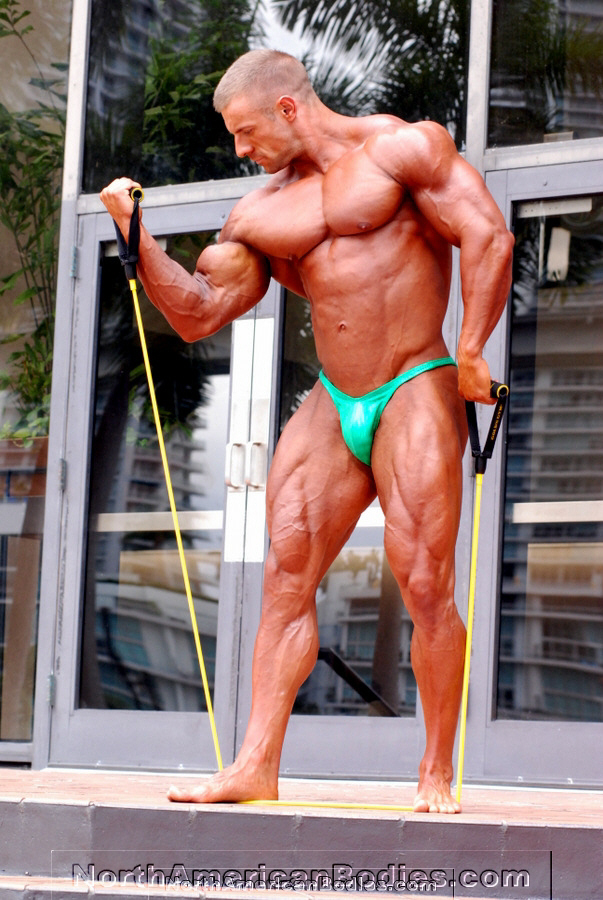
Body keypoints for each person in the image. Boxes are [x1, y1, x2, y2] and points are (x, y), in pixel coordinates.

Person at [100, 49, 514, 814]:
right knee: (284, 575)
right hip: (334, 396)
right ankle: (254, 765)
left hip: (413, 381)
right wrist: (137, 234)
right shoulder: (259, 215)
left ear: (287, 108)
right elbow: (197, 314)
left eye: (246, 132)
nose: (240, 150)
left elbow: (486, 234)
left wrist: (470, 351)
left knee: (424, 582)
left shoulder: (402, 148)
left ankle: (434, 770)